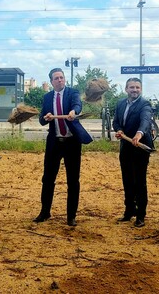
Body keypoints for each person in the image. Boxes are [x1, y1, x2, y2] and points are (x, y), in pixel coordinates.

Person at [33, 68, 92, 227]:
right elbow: (41, 120)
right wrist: (45, 118)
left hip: (72, 142)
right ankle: (45, 212)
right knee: (48, 179)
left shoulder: (72, 93)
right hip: (54, 142)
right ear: (51, 82)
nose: (60, 80)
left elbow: (77, 104)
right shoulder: (47, 97)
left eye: (62, 77)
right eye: (56, 78)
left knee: (73, 180)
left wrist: (74, 111)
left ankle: (71, 216)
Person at [112, 77, 153, 228]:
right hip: (126, 146)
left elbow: (145, 121)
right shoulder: (121, 104)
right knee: (127, 180)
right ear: (126, 89)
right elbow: (115, 122)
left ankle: (141, 215)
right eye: (131, 87)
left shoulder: (145, 104)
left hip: (141, 146)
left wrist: (139, 134)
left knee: (139, 182)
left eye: (137, 87)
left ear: (140, 89)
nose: (134, 90)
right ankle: (129, 211)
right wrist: (119, 130)